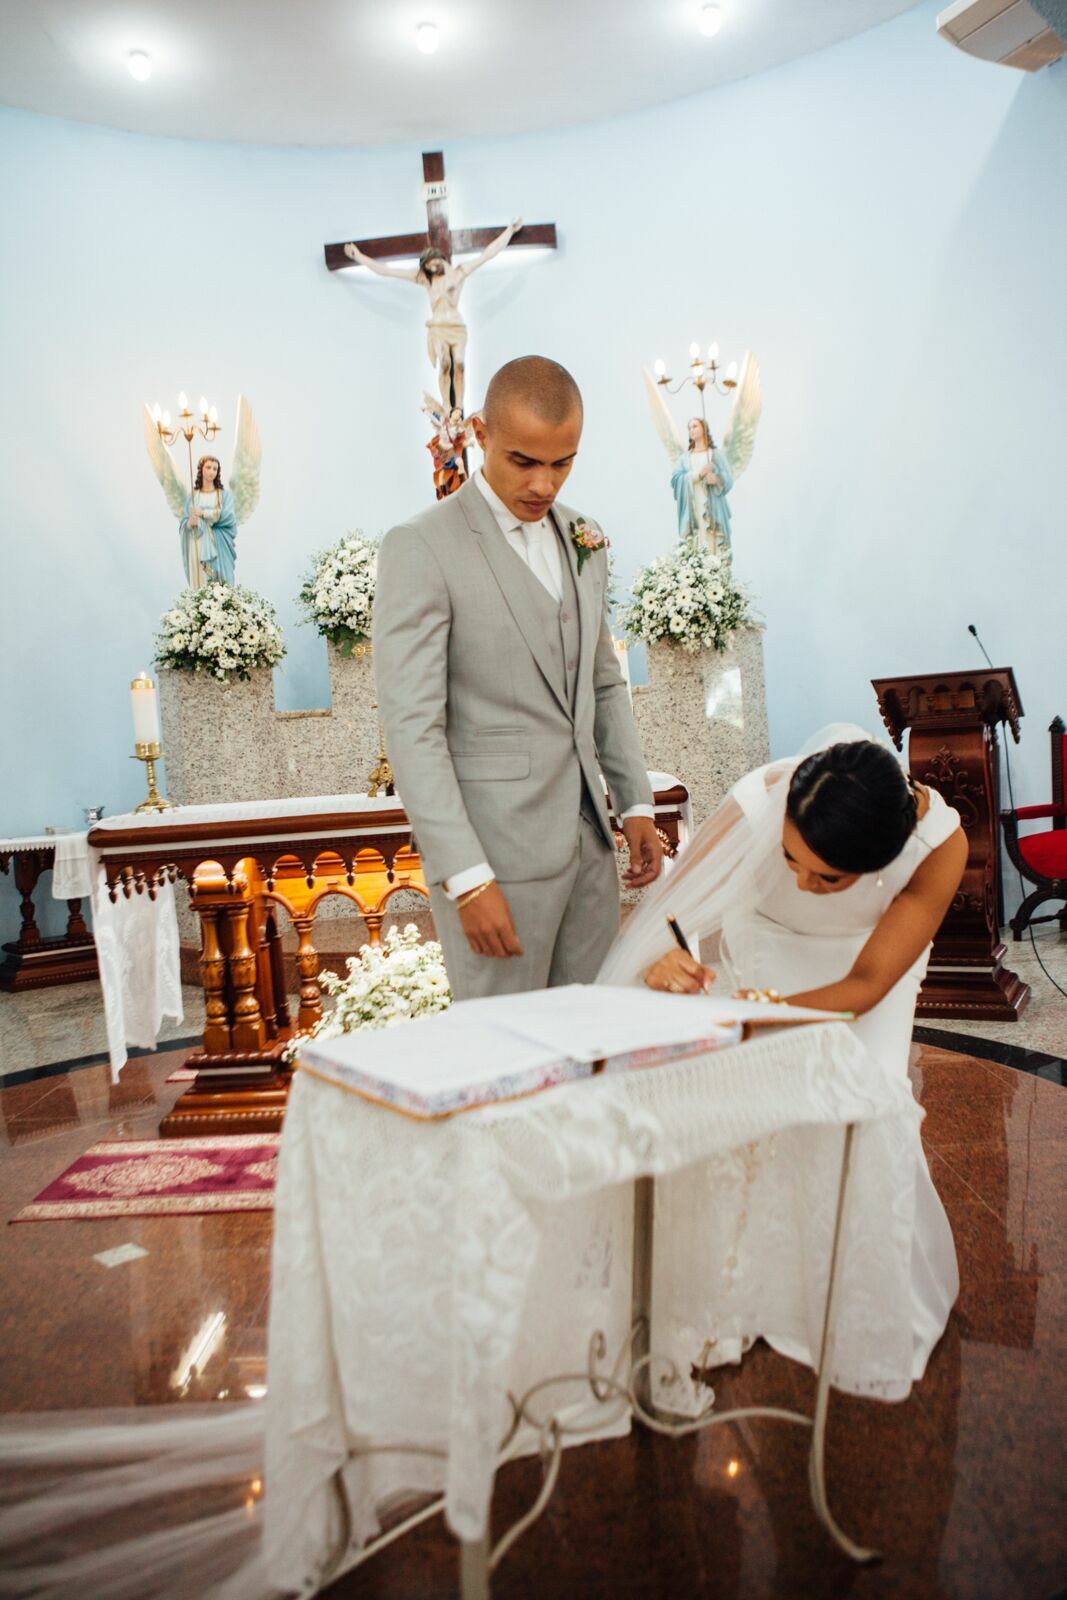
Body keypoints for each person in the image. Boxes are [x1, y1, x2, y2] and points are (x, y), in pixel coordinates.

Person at [599, 727, 968, 1381]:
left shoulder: (938, 844)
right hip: (765, 938)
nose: (800, 882)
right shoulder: (761, 800)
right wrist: (666, 960)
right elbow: (674, 912)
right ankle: (742, 1283)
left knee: (863, 1100)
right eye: (790, 858)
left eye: (826, 875)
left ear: (882, 860)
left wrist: (758, 1016)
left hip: (861, 961)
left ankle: (856, 1298)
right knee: (755, 1102)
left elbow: (864, 986)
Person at [373, 355, 663, 1001]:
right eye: (523, 461)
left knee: (588, 1041)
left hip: (589, 849)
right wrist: (465, 877)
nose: (543, 484)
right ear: (479, 435)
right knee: (502, 1056)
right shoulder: (420, 546)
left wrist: (634, 801)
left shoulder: (583, 539)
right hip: (494, 862)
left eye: (562, 463)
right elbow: (412, 727)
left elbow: (603, 683)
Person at [344, 220, 523, 408]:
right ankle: (447, 407)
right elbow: (387, 271)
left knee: (460, 365)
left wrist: (509, 231)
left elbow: (487, 254)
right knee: (445, 363)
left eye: (433, 262)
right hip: (438, 327)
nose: (432, 267)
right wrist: (358, 256)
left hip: (456, 326)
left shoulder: (459, 273)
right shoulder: (426, 280)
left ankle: (458, 409)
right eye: (428, 266)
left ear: (440, 258)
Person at [179, 455, 238, 587]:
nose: (212, 471)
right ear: (201, 469)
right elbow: (183, 523)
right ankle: (202, 604)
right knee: (201, 580)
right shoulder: (193, 497)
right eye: (208, 467)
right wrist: (189, 523)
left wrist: (203, 513)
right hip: (198, 543)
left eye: (215, 469)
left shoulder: (224, 495)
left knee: (220, 582)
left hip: (218, 544)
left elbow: (228, 517)